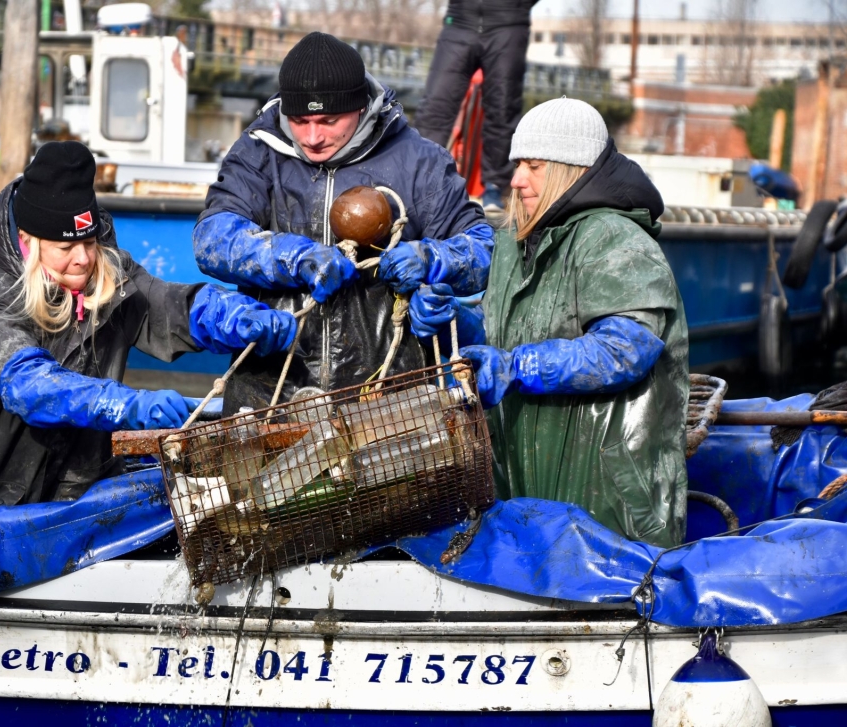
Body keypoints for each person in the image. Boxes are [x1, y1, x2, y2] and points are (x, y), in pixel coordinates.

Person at [0, 142, 297, 507]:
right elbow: (32, 385)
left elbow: (163, 306)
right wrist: (126, 404)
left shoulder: (110, 272)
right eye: (65, 248)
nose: (82, 259)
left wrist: (229, 315)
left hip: (69, 491)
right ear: (28, 242)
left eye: (90, 242)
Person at [194, 31, 493, 414]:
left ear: (359, 106)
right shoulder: (258, 151)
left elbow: (483, 249)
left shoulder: (420, 161)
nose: (313, 137)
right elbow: (212, 238)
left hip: (389, 404)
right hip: (270, 399)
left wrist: (434, 259)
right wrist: (292, 257)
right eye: (299, 120)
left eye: (328, 120)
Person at [456, 98, 690, 547]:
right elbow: (504, 329)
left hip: (608, 507)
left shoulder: (614, 237)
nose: (517, 179)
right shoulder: (514, 242)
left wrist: (516, 368)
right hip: (530, 495)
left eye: (534, 166)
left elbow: (623, 352)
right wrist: (455, 319)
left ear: (573, 169)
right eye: (517, 164)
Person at [413, 0, 540, 210]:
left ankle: (494, 187)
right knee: (435, 107)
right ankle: (418, 182)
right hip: (460, 21)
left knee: (503, 109)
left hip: (508, 22)